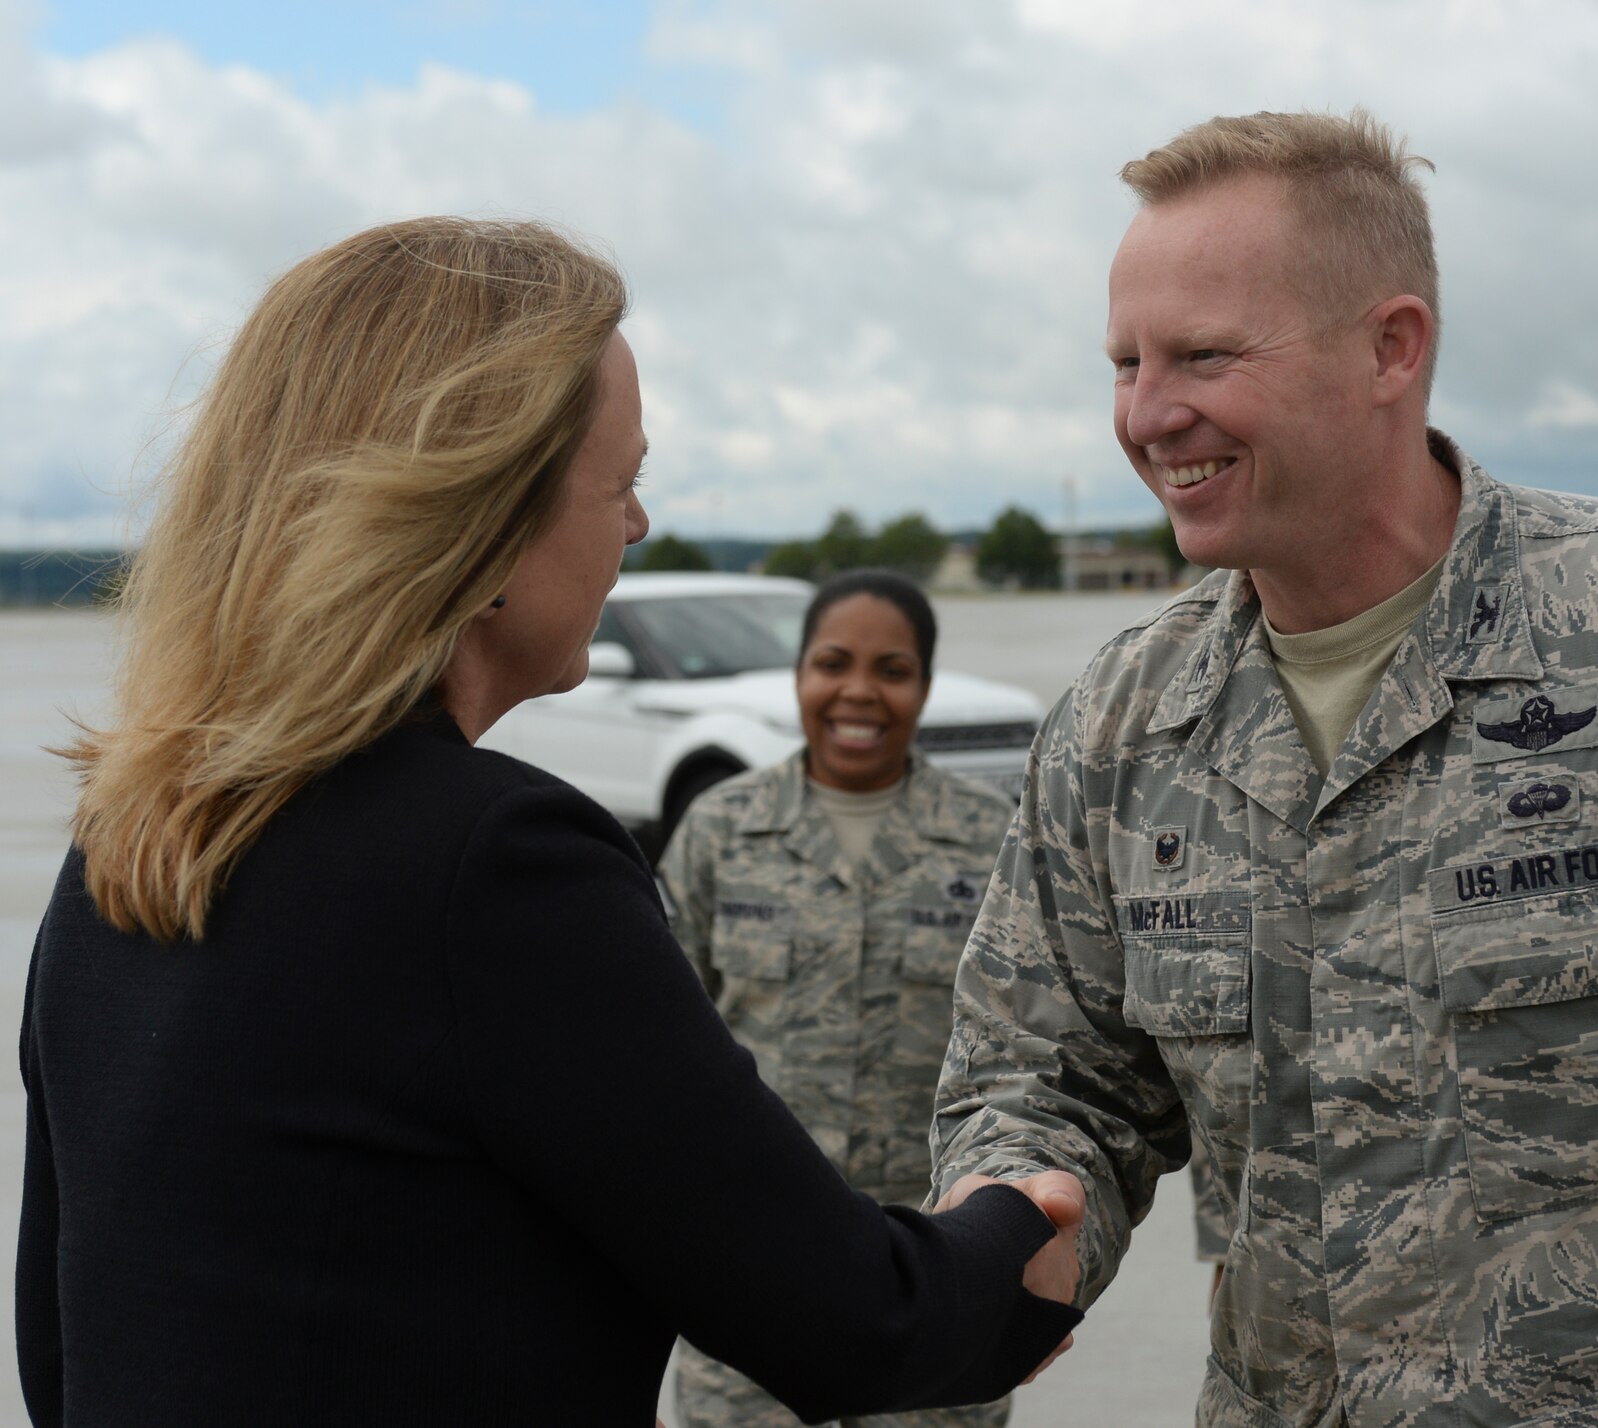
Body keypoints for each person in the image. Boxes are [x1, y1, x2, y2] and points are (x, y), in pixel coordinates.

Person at [930, 109, 1598, 1428]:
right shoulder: (1122, 727)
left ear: (1393, 347)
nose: (1149, 415)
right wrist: (1018, 1222)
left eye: (1203, 355)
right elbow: (1050, 1084)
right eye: (1125, 362)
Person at [18, 217, 1082, 1428]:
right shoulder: (496, 867)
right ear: (477, 517)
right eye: (619, 482)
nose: (633, 528)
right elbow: (851, 1324)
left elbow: (59, 1344)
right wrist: (1016, 1226)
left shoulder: (131, 835)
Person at [659, 568, 1018, 1428]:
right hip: (751, 1272)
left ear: (924, 687)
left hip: (930, 1271)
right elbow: (659, 1057)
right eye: (833, 663)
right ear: (799, 677)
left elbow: (1032, 1051)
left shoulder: (993, 840)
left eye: (892, 670)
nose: (859, 691)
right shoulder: (720, 829)